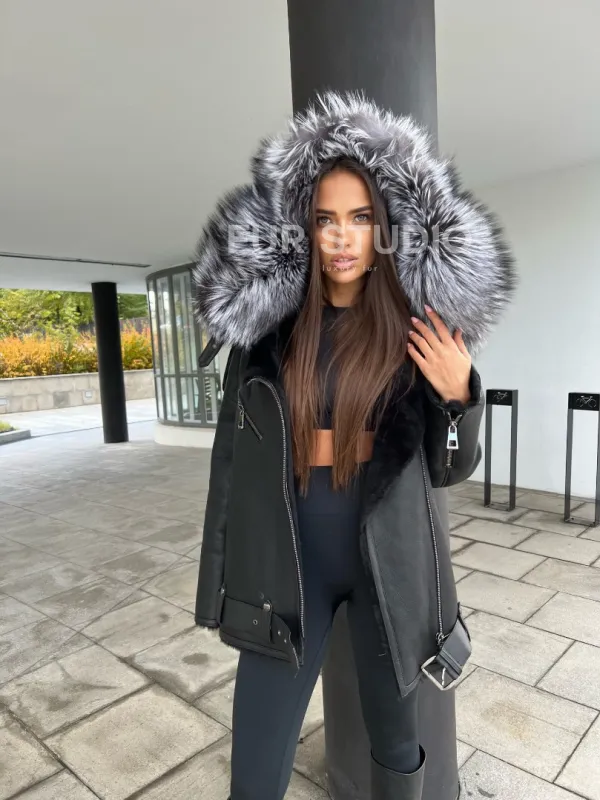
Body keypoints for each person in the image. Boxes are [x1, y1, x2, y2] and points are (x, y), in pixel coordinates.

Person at [191, 91, 515, 800]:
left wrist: (459, 397)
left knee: (396, 746)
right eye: (325, 219)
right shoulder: (267, 336)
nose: (342, 237)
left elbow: (450, 467)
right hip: (288, 563)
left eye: (361, 218)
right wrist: (217, 585)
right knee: (256, 763)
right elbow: (230, 467)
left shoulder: (414, 330)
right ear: (302, 228)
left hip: (386, 563)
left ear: (385, 229)